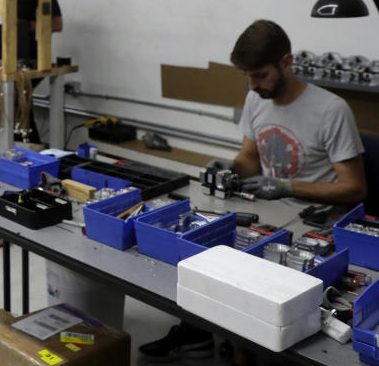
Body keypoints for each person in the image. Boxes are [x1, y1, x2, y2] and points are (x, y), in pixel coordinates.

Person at [139, 19, 367, 363]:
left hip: (314, 223)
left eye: (260, 75)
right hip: (269, 214)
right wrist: (228, 168)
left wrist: (288, 186)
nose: (252, 84)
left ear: (287, 63)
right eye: (246, 76)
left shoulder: (331, 110)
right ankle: (199, 334)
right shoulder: (256, 98)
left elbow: (354, 189)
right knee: (203, 258)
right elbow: (249, 158)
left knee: (262, 298)